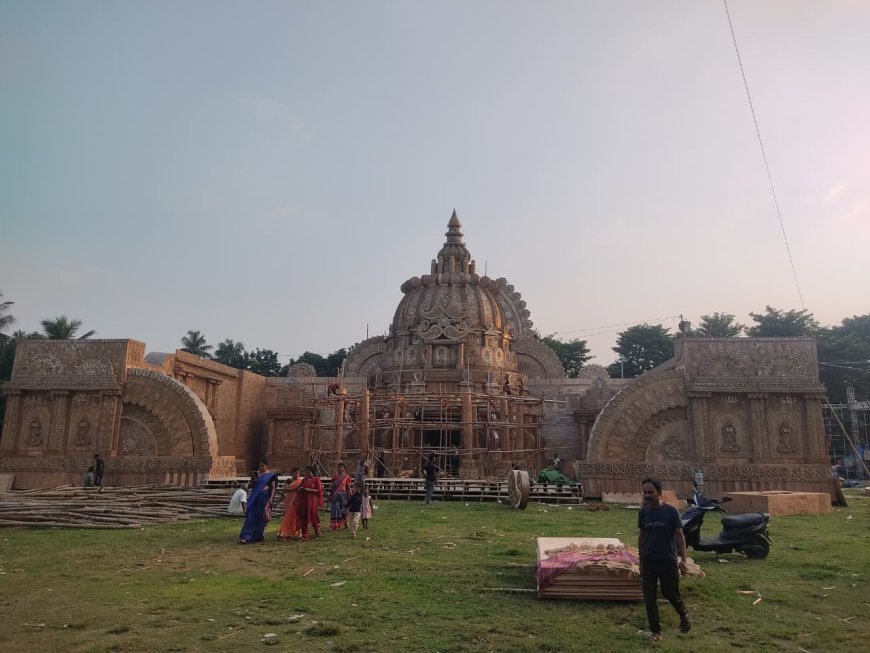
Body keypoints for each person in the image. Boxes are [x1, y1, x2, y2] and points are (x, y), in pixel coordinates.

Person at [637, 477, 690, 641]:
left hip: (667, 560)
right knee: (649, 598)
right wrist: (641, 560)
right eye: (645, 492)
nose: (647, 495)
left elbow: (679, 536)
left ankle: (684, 615)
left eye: (650, 492)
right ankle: (656, 632)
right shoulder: (643, 512)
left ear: (659, 493)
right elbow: (642, 535)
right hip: (649, 561)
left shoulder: (671, 511)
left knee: (671, 593)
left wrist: (683, 560)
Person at [239, 460, 278, 544]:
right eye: (259, 466)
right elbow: (250, 486)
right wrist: (249, 483)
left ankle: (258, 536)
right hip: (254, 497)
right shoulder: (255, 474)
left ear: (266, 466)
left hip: (264, 497)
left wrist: (271, 498)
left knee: (261, 517)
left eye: (262, 466)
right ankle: (245, 537)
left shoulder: (271, 476)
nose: (260, 467)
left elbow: (273, 488)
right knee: (250, 516)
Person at [297, 465, 324, 540]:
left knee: (313, 516)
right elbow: (299, 488)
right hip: (304, 501)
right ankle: (305, 535)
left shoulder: (316, 479)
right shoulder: (304, 480)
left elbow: (319, 490)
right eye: (306, 472)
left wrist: (309, 490)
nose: (307, 474)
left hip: (312, 501)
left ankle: (317, 532)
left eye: (308, 472)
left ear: (312, 472)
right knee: (304, 517)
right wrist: (300, 489)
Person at [277, 468, 303, 540]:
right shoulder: (289, 480)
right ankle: (285, 532)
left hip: (297, 500)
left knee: (296, 516)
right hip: (289, 500)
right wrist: (294, 489)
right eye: (295, 473)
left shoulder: (300, 481)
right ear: (292, 473)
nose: (297, 475)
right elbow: (285, 489)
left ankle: (295, 532)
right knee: (288, 516)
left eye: (298, 473)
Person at [330, 463, 352, 531]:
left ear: (344, 469)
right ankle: (334, 526)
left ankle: (346, 523)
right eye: (338, 467)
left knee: (344, 510)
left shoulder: (347, 477)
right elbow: (333, 487)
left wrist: (350, 496)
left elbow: (348, 487)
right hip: (336, 496)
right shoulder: (335, 477)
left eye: (341, 467)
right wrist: (331, 495)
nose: (339, 468)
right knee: (335, 510)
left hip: (344, 495)